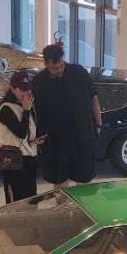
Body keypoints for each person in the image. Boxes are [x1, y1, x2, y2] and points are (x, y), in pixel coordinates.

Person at [32, 42, 103, 185]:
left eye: (61, 65)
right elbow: (35, 111)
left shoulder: (79, 73)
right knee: (59, 180)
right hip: (54, 139)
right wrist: (37, 135)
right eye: (55, 68)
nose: (59, 70)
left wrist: (99, 124)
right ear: (45, 64)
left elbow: (93, 98)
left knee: (84, 179)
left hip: (81, 134)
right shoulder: (39, 81)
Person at [0, 71, 43, 203]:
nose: (26, 93)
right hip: (13, 160)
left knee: (30, 198)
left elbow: (27, 132)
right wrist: (26, 110)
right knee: (16, 202)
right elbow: (20, 133)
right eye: (22, 90)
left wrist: (35, 140)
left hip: (29, 158)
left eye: (28, 89)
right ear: (12, 89)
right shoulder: (6, 108)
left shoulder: (27, 106)